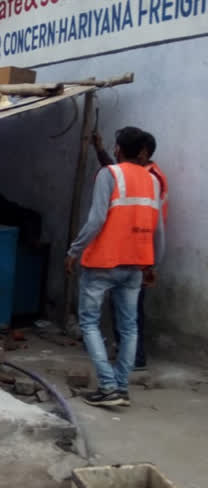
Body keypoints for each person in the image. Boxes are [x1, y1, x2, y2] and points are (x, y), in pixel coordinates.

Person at [66, 127, 164, 408]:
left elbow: (96, 220)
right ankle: (120, 387)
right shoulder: (153, 180)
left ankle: (109, 386)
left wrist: (74, 250)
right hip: (136, 263)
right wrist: (152, 263)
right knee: (130, 326)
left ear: (118, 148)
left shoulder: (109, 175)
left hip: (103, 262)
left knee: (89, 322)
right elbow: (158, 229)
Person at [93, 130, 166, 371]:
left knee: (129, 312)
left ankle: (133, 359)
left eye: (119, 147)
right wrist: (99, 150)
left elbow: (158, 226)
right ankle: (128, 358)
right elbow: (117, 175)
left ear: (143, 152)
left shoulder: (152, 177)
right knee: (124, 309)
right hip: (130, 250)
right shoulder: (141, 174)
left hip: (139, 249)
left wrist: (153, 262)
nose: (117, 152)